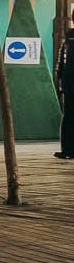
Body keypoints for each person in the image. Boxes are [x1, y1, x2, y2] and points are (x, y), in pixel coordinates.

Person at [57, 21, 74, 160]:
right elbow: (62, 59)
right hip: (69, 82)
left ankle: (67, 149)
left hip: (68, 82)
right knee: (68, 116)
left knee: (68, 116)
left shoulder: (68, 37)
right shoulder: (68, 37)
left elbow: (61, 60)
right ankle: (68, 149)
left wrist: (60, 78)